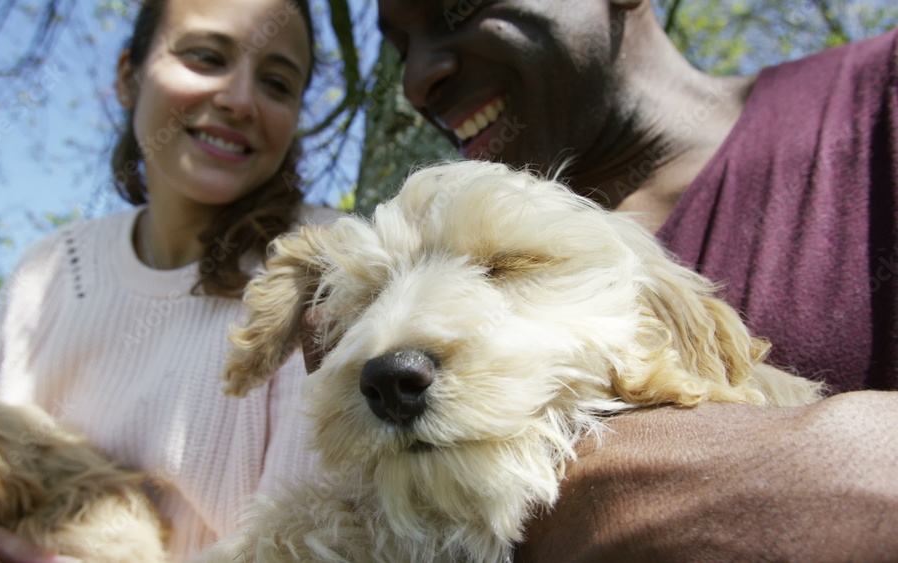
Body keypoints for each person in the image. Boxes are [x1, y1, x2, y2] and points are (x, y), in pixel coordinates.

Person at [375, 0, 898, 559]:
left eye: (459, 7)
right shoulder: (407, 267)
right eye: (401, 48)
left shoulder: (878, 97)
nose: (416, 81)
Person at [0, 0, 336, 560]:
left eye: (277, 83)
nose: (239, 99)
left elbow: (312, 540)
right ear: (128, 76)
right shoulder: (50, 268)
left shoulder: (322, 269)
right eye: (206, 57)